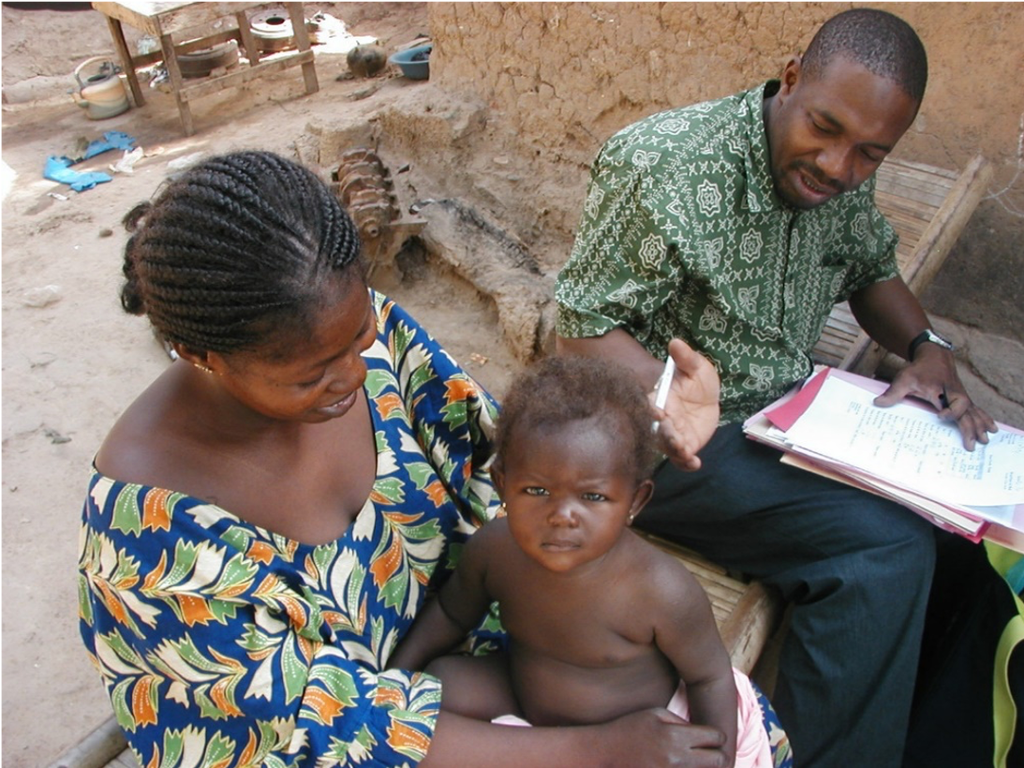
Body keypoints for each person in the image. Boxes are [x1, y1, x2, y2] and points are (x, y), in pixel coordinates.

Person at [78, 150, 778, 767]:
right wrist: (596, 749)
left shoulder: (368, 340)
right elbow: (322, 729)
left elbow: (507, 466)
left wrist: (643, 429)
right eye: (310, 375)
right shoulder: (148, 537)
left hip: (483, 671)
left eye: (358, 337)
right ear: (201, 356)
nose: (354, 376)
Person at [554, 8, 998, 767]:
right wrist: (671, 393)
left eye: (869, 153)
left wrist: (925, 346)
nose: (837, 165)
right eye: (824, 129)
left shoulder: (845, 167)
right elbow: (579, 327)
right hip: (670, 444)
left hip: (793, 421)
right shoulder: (664, 165)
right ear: (791, 78)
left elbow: (871, 269)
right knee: (881, 553)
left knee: (967, 542)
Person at [389, 355, 782, 768]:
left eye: (593, 497)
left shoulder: (660, 589)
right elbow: (451, 614)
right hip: (527, 698)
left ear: (635, 501)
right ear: (503, 483)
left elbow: (710, 677)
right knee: (443, 682)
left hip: (639, 739)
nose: (562, 515)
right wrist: (393, 680)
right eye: (537, 491)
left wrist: (715, 757)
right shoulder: (494, 551)